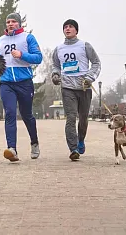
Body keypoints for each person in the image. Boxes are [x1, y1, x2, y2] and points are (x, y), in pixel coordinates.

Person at [51, 19, 101, 161]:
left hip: (84, 87)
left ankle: (80, 140)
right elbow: (55, 65)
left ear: (76, 30)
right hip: (67, 88)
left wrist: (90, 78)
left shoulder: (85, 46)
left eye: (71, 27)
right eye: (65, 27)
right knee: (71, 118)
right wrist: (55, 75)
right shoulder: (58, 49)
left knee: (83, 118)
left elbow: (96, 63)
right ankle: (73, 149)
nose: (67, 29)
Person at [0, 12, 43, 162]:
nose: (10, 24)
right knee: (9, 113)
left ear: (19, 24)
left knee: (26, 115)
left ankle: (34, 143)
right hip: (6, 82)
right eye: (8, 22)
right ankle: (12, 149)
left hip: (24, 82)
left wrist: (22, 54)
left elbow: (38, 58)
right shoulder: (1, 40)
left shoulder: (28, 37)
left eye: (13, 22)